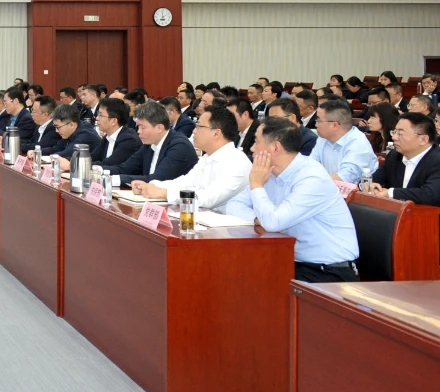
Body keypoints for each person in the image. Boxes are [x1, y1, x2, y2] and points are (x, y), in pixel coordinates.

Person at [224, 118, 360, 283]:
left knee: (252, 283)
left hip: (328, 272)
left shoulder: (311, 178)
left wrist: (257, 185)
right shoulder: (270, 173)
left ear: (275, 147)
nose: (252, 148)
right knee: (232, 273)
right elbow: (233, 205)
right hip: (293, 261)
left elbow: (273, 222)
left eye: (256, 142)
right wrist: (258, 219)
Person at [131, 105, 251, 210]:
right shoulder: (207, 158)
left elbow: (207, 199)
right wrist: (150, 186)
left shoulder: (237, 163)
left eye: (199, 126)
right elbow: (185, 183)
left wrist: (164, 193)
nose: (194, 131)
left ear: (216, 133)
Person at [114, 101, 198, 186]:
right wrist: (105, 174)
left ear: (159, 128)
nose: (138, 131)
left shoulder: (180, 147)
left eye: (143, 127)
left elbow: (158, 180)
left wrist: (115, 180)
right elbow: (125, 169)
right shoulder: (149, 143)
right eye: (138, 127)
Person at [368, 112, 440, 206]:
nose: (394, 137)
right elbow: (376, 179)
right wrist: (372, 186)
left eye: (400, 133)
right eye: (394, 132)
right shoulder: (394, 155)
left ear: (423, 139)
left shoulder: (437, 160)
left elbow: (431, 194)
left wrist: (390, 193)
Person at [311, 98, 379, 184]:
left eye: (318, 120)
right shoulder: (323, 139)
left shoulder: (358, 143)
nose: (316, 124)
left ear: (334, 125)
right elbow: (310, 167)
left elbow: (344, 179)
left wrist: (310, 178)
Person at [90, 98, 141, 167]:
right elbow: (92, 157)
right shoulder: (108, 137)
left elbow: (110, 164)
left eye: (101, 115)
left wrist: (84, 164)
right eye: (97, 114)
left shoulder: (129, 140)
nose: (97, 118)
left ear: (113, 121)